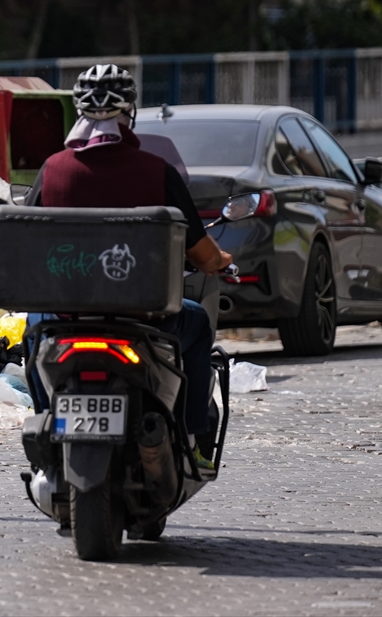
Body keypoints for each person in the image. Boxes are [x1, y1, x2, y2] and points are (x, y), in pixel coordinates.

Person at [24, 63, 232, 470]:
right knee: (198, 324)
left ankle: (43, 415)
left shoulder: (53, 170)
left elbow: (26, 241)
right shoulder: (158, 171)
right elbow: (203, 257)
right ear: (130, 111)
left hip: (66, 318)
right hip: (144, 318)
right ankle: (192, 435)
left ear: (79, 112)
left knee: (32, 334)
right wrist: (222, 260)